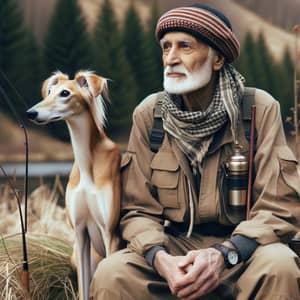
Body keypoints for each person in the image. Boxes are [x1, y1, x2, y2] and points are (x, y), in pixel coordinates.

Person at [90, 4, 300, 300]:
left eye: (185, 47)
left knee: (279, 266)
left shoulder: (258, 110)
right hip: (172, 249)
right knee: (113, 274)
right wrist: (160, 259)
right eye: (166, 48)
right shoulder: (149, 115)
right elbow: (137, 210)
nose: (171, 59)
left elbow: (278, 206)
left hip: (242, 253)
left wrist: (225, 254)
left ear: (218, 58)